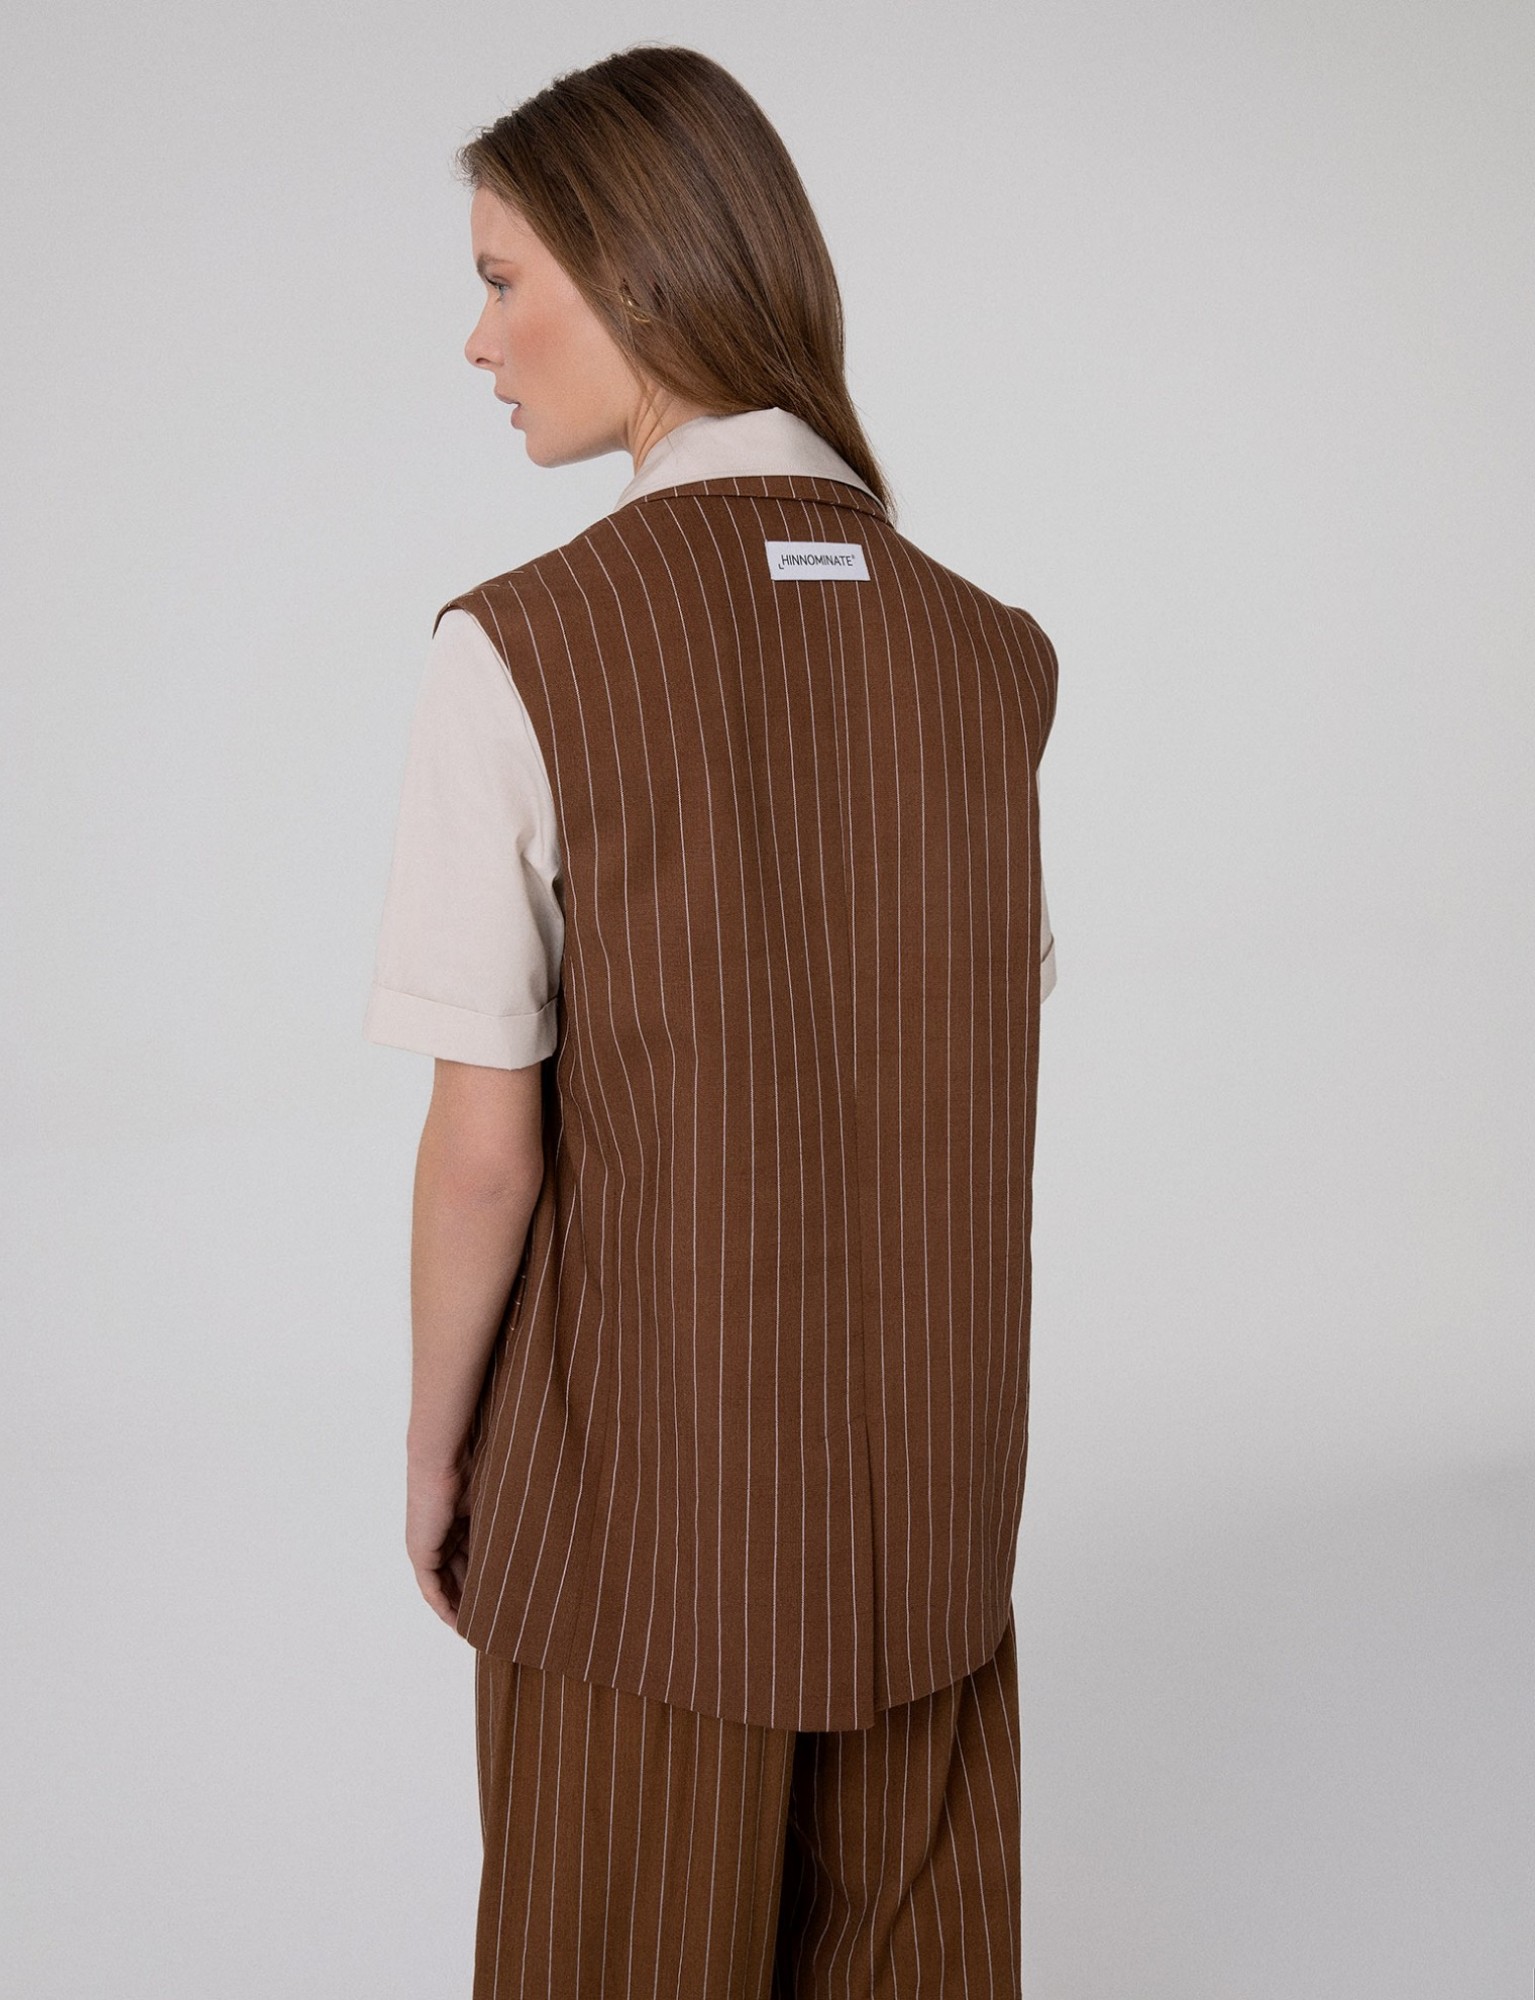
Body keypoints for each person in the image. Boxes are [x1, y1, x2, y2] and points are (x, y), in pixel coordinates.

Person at [363, 43, 1059, 2000]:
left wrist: (436, 1456)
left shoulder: (522, 647)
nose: (477, 340)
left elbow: (485, 1151)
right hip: (934, 1536)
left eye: (502, 278)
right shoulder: (991, 657)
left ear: (637, 275)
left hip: (638, 1556)